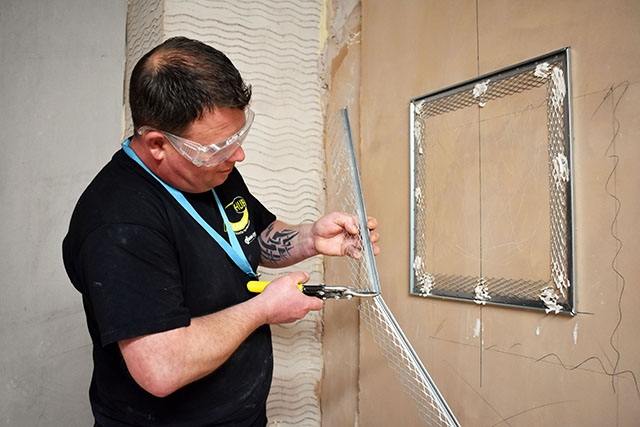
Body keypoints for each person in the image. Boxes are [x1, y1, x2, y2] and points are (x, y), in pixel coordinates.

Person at [62, 36, 379, 427]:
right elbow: (161, 367)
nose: (237, 155)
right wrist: (264, 310)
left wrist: (312, 238)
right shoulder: (118, 223)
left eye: (237, 138)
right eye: (218, 146)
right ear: (158, 144)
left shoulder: (210, 169)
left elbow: (252, 238)